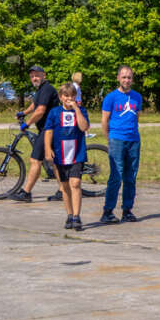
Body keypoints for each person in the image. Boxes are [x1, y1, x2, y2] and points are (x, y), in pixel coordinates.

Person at [10, 65, 61, 203]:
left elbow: (40, 111)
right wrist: (24, 113)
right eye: (32, 76)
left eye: (37, 75)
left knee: (35, 160)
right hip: (49, 128)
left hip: (49, 129)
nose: (34, 78)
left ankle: (26, 193)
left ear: (44, 75)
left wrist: (27, 124)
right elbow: (35, 105)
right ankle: (62, 191)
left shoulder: (47, 89)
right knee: (54, 161)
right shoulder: (40, 90)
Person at [44, 83, 90, 231]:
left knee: (75, 183)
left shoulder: (81, 110)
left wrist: (76, 108)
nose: (69, 98)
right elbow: (48, 132)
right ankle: (69, 215)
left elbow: (84, 127)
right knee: (64, 186)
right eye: (66, 95)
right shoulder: (54, 112)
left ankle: (77, 216)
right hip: (59, 153)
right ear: (60, 97)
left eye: (72, 95)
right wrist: (47, 149)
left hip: (77, 153)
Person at [100, 65, 143, 223]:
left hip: (133, 140)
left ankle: (127, 210)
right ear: (118, 78)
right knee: (116, 176)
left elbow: (136, 118)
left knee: (130, 176)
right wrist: (109, 139)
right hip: (117, 139)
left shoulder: (137, 97)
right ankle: (108, 211)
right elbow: (104, 121)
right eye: (124, 77)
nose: (127, 80)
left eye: (129, 77)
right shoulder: (111, 97)